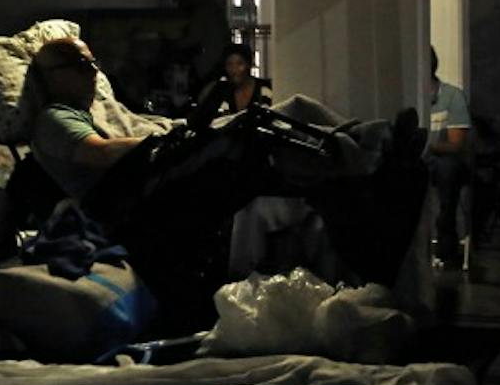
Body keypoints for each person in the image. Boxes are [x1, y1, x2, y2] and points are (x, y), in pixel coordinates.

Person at [26, 37, 427, 326]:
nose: (94, 74)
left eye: (94, 64)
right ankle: (368, 158)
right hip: (145, 183)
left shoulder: (95, 108)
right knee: (254, 135)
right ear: (51, 76)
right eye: (82, 66)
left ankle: (379, 139)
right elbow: (98, 152)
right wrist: (167, 137)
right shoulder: (54, 119)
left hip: (169, 148)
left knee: (295, 107)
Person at [426, 47, 472, 268]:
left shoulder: (452, 96)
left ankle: (446, 241)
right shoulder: (406, 93)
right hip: (418, 159)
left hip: (440, 159)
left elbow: (456, 144)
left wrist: (429, 147)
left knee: (448, 168)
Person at [190, 42, 272, 127]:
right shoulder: (222, 90)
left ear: (248, 65)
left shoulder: (265, 88)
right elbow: (200, 119)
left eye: (240, 64)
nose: (234, 70)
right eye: (229, 64)